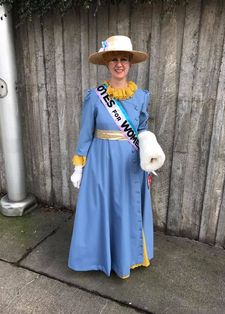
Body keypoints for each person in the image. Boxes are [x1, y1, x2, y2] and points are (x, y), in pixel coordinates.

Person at [68, 35, 165, 279]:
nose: (119, 64)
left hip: (130, 164)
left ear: (130, 64)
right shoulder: (94, 96)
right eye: (114, 60)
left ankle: (126, 258)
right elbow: (85, 134)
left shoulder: (141, 96)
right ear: (107, 64)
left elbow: (142, 129)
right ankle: (101, 258)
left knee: (125, 209)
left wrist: (149, 148)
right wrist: (79, 165)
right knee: (101, 211)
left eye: (123, 59)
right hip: (100, 162)